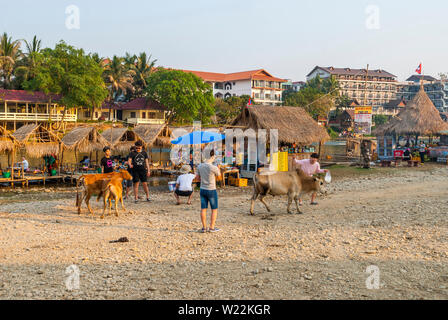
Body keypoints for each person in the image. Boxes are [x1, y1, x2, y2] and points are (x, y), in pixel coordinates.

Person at [196, 149, 221, 233]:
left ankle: (204, 228)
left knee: (203, 208)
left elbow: (197, 178)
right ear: (212, 156)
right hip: (211, 190)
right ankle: (212, 227)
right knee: (214, 209)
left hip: (202, 189)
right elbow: (219, 178)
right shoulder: (213, 167)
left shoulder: (199, 166)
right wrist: (219, 169)